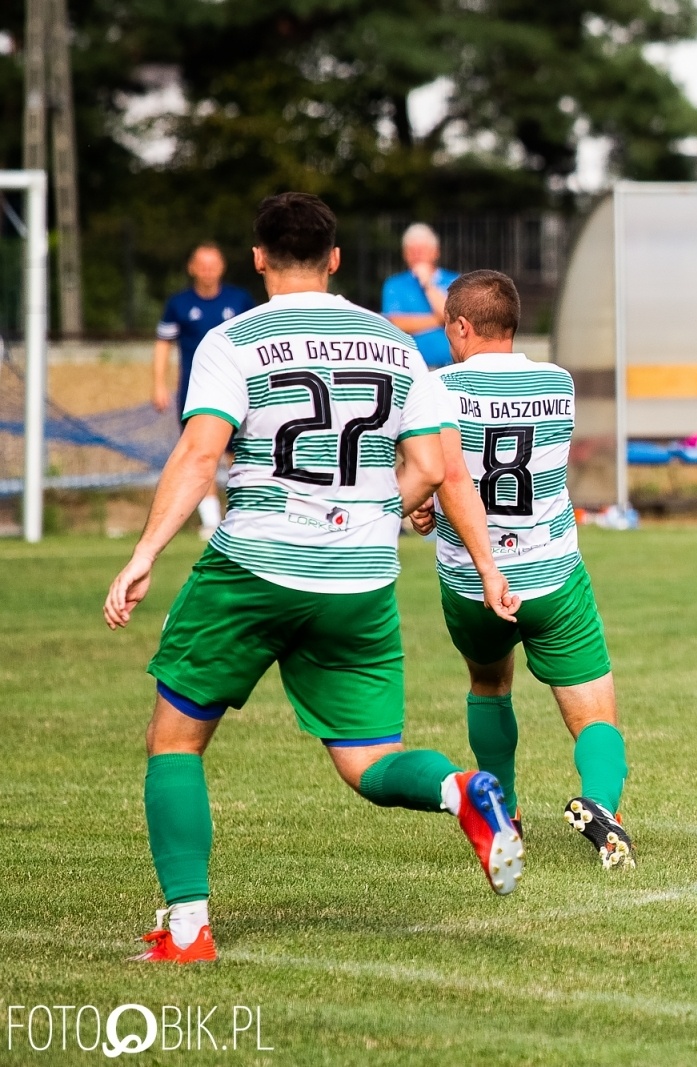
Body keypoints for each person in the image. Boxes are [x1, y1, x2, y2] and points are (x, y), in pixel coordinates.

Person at [104, 193, 526, 965]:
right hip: (359, 579)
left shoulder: (234, 339)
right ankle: (460, 789)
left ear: (257, 257)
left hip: (254, 568)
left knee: (176, 740)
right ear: (335, 259)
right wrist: (473, 558)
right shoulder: (397, 344)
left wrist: (145, 553)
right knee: (369, 761)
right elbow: (438, 467)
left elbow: (200, 454)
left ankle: (189, 930)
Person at [409, 270, 636, 869]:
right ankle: (601, 802)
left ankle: (504, 813)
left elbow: (438, 472)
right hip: (551, 575)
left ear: (461, 327)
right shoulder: (557, 383)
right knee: (596, 715)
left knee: (489, 686)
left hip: (471, 581)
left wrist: (424, 507)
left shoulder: (437, 388)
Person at [152, 244, 254, 539]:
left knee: (239, 453)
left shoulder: (239, 300)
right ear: (192, 268)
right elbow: (163, 344)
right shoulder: (179, 304)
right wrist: (158, 384)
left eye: (213, 264)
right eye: (203, 265)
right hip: (196, 392)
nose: (208, 271)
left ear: (222, 267)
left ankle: (241, 515)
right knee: (202, 453)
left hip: (238, 389)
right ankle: (211, 520)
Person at [382, 222, 460, 370]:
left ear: (435, 252)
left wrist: (428, 284)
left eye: (422, 249)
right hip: (410, 368)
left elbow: (457, 319)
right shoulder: (394, 284)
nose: (417, 254)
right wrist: (441, 319)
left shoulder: (456, 281)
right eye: (412, 250)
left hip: (450, 365)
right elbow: (395, 324)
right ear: (404, 254)